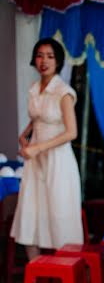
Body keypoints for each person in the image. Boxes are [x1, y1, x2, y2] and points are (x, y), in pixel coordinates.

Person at [11, 37, 83, 259]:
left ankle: (66, 277)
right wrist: (25, 135)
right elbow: (38, 118)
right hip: (35, 160)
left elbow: (71, 132)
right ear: (34, 59)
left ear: (58, 61)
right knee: (30, 214)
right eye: (40, 55)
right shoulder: (35, 88)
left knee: (59, 213)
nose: (44, 61)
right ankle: (35, 280)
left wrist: (38, 148)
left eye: (50, 56)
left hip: (58, 160)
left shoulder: (63, 92)